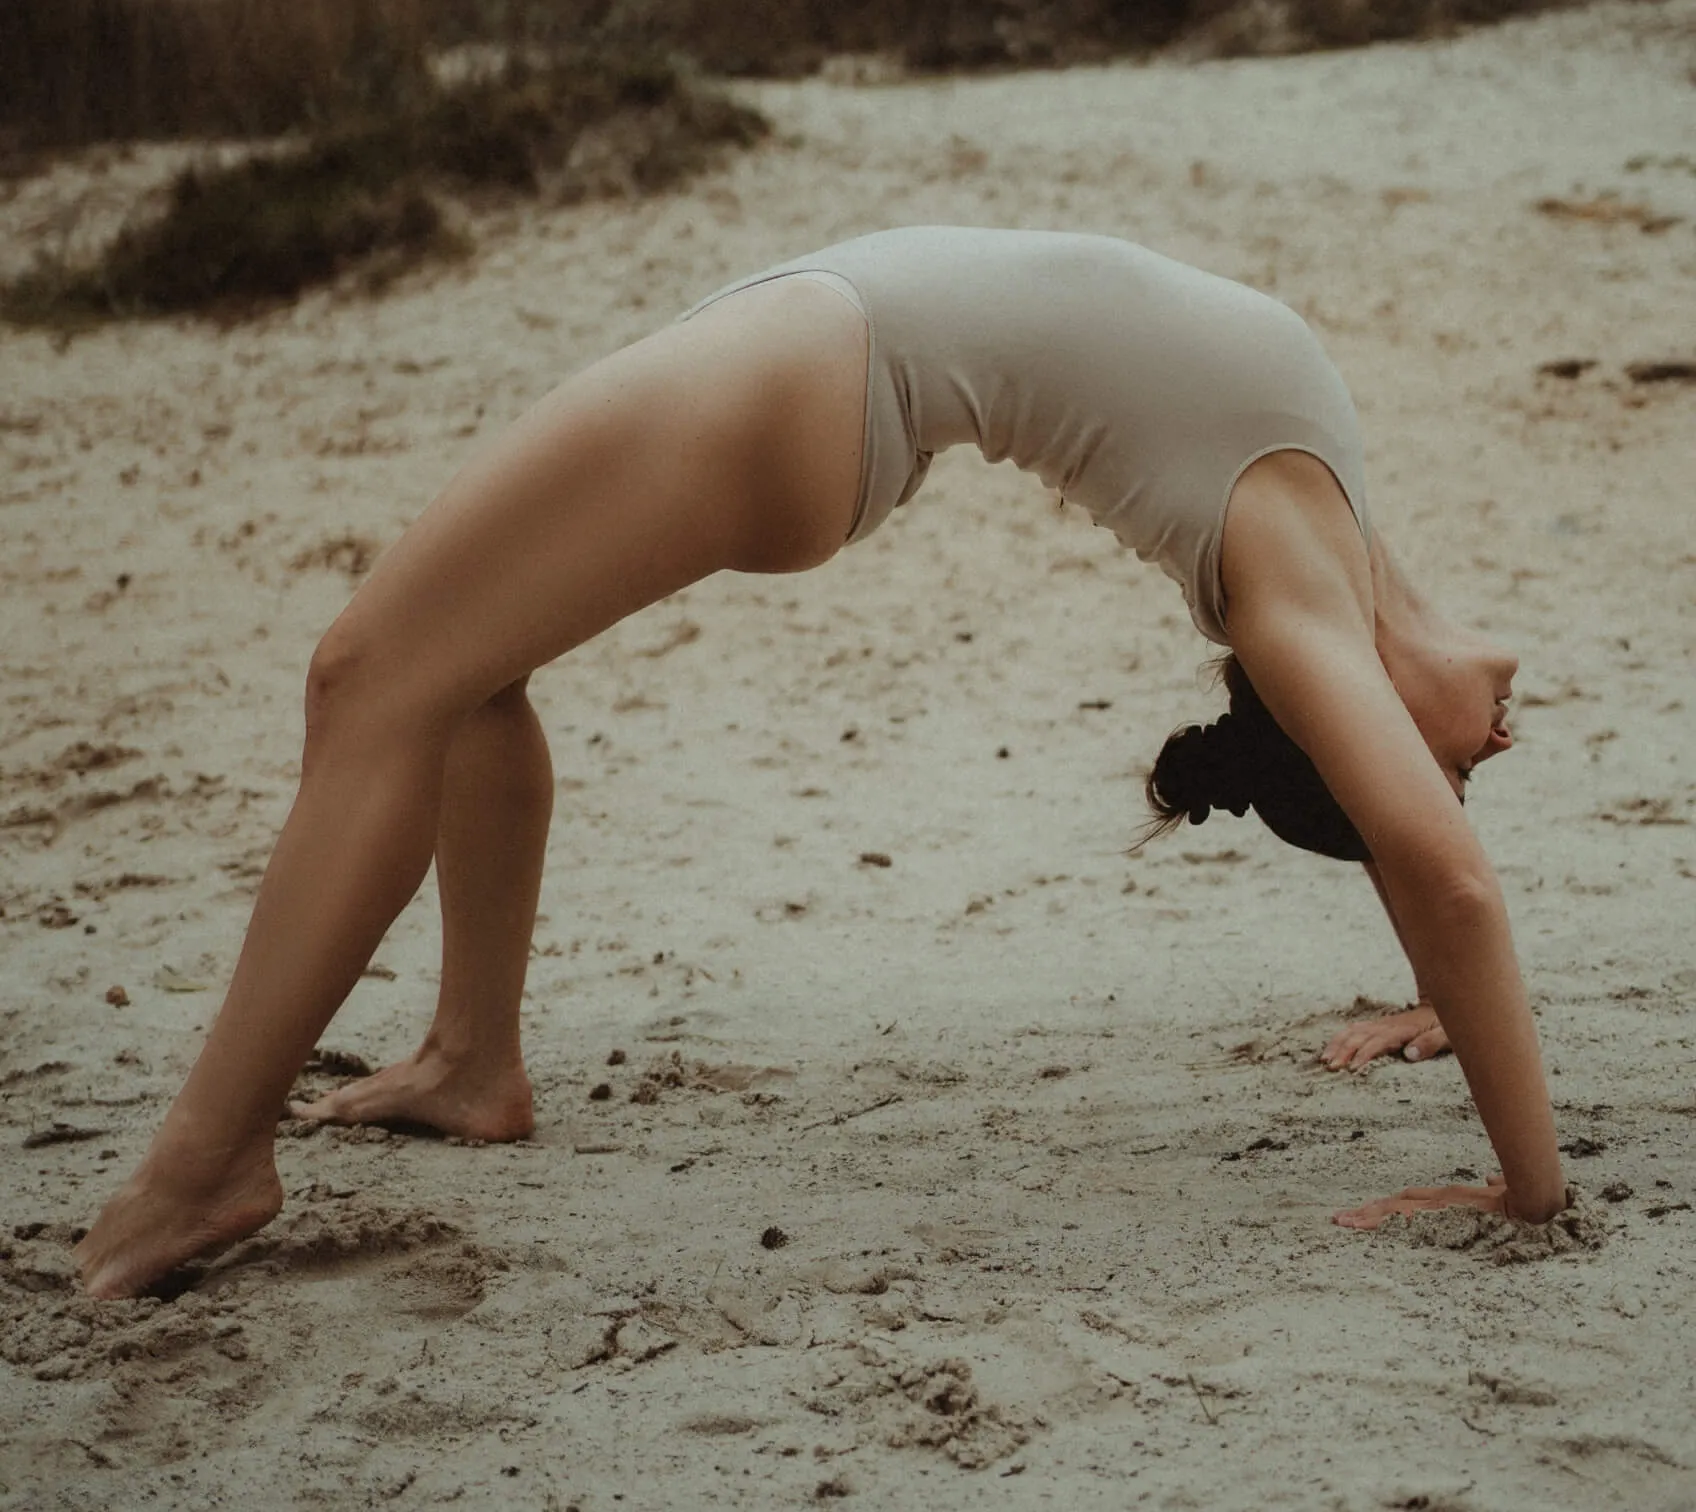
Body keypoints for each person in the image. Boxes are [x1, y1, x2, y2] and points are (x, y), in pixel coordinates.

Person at [74, 226, 1564, 1299]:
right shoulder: (1340, 526)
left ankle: (207, 1161)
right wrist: (1433, 991)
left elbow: (1441, 867)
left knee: (365, 678)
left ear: (1340, 724)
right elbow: (1416, 858)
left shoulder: (1290, 591)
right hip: (808, 351)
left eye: (1457, 775)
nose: (1488, 751)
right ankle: (473, 1060)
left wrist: (1526, 1190)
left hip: (807, 383)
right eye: (1464, 774)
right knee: (462, 674)